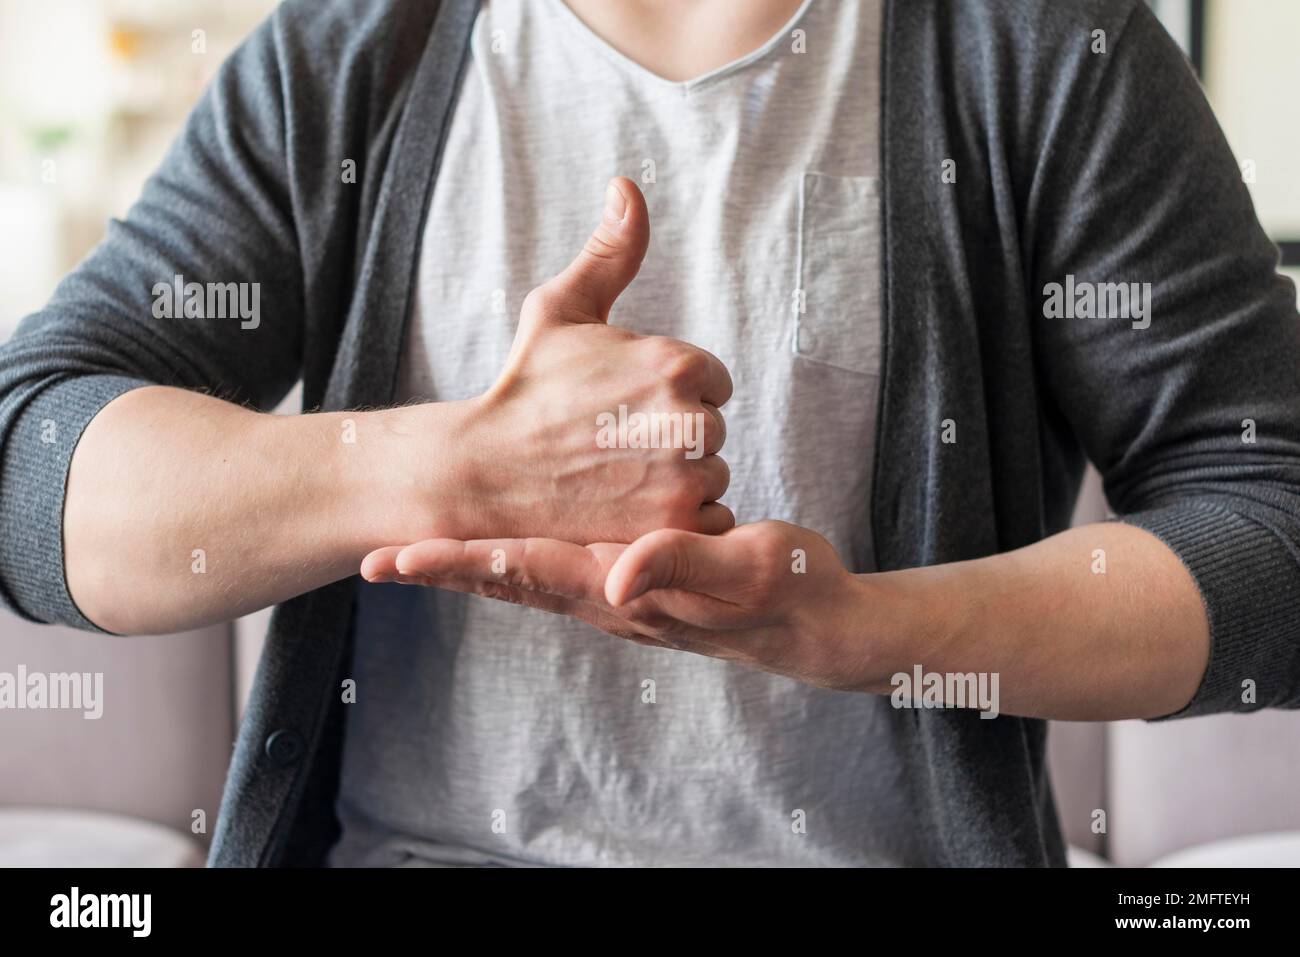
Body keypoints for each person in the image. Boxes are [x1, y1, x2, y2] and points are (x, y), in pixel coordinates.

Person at [1, 0, 1297, 867]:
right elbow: (32, 459)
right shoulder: (351, 52)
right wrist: (457, 469)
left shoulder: (1045, 46)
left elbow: (1273, 530)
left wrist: (858, 629)